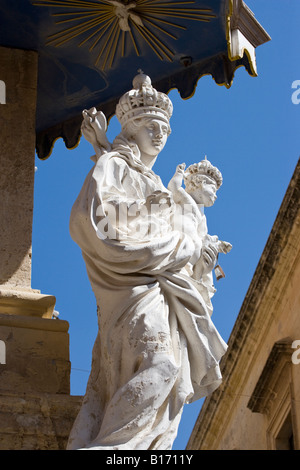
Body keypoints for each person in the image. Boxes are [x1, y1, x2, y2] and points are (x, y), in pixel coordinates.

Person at [67, 72, 228, 450]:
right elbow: (93, 217)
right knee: (164, 366)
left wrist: (199, 265)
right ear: (133, 127)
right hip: (132, 288)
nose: (160, 136)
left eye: (165, 130)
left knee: (170, 383)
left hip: (161, 288)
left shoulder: (152, 179)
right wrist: (167, 233)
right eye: (152, 126)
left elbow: (176, 241)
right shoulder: (114, 166)